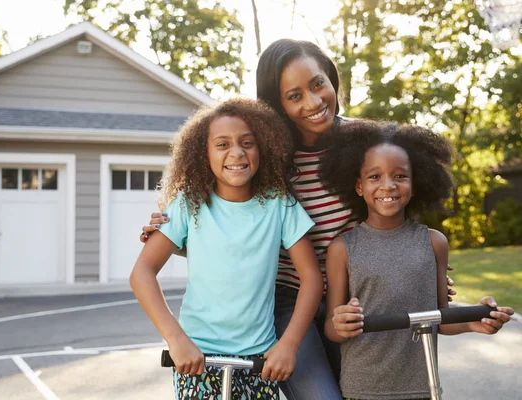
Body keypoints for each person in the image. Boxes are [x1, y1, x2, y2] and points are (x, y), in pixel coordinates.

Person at [140, 39, 457, 400]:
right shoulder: (268, 155)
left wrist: (421, 272)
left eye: (318, 84)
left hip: (360, 298)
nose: (313, 102)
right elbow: (232, 226)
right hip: (290, 303)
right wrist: (175, 237)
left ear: (331, 78)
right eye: (294, 96)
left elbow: (396, 215)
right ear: (278, 104)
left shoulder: (367, 145)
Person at [130, 97, 326, 400]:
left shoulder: (280, 204)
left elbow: (311, 277)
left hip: (260, 360)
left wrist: (288, 345)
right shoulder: (188, 205)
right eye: (222, 145)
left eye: (247, 143)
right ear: (203, 154)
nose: (237, 152)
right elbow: (142, 273)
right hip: (197, 358)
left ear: (263, 148)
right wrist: (176, 339)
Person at [321, 119, 515, 400]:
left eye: (399, 176)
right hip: (362, 388)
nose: (387, 185)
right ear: (359, 186)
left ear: (416, 182)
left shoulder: (434, 243)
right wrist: (340, 323)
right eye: (374, 177)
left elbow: (442, 318)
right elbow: (331, 327)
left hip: (424, 387)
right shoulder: (342, 248)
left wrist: (475, 320)